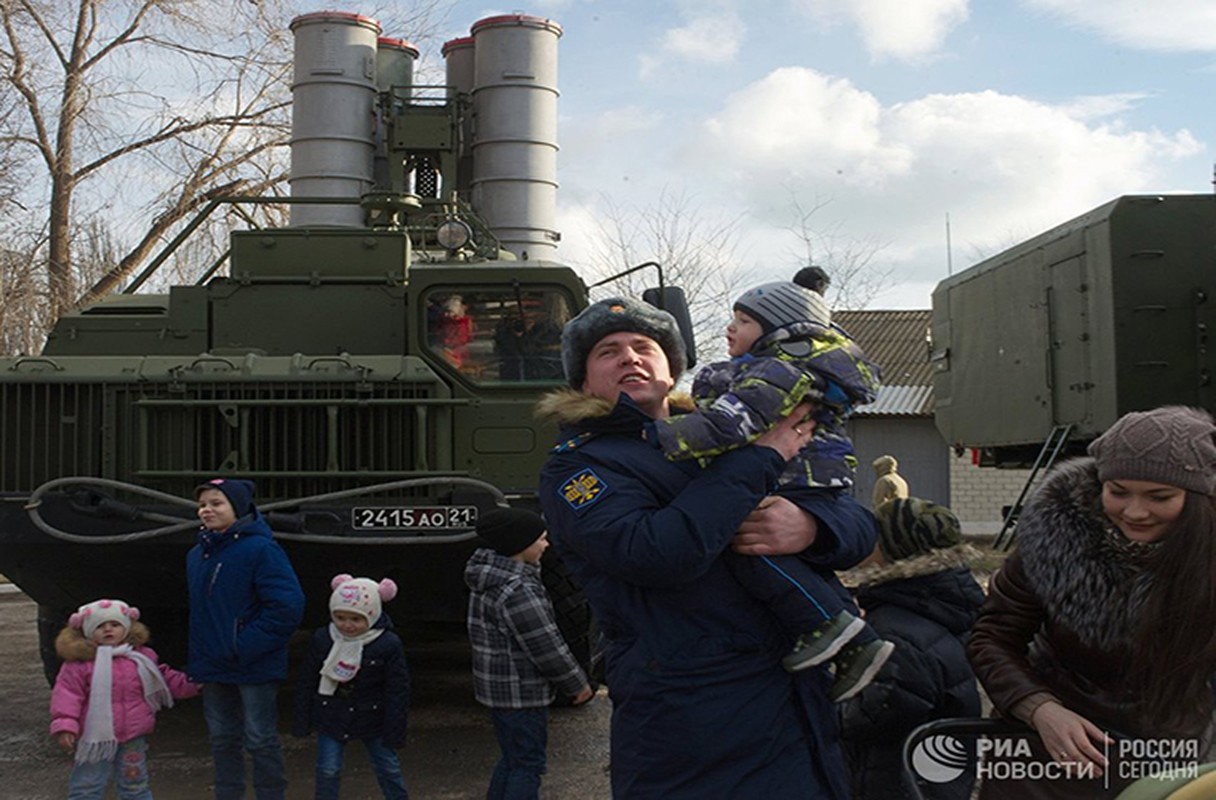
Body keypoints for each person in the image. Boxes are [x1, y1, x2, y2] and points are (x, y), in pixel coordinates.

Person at [536, 296, 879, 799]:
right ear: (584, 381)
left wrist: (811, 526)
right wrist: (758, 460)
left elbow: (857, 524)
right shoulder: (579, 468)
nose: (629, 357)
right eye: (608, 352)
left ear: (671, 371)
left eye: (643, 347)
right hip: (693, 723)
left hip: (794, 704)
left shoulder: (726, 432)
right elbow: (656, 553)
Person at [652, 279, 891, 700]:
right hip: (810, 478)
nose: (730, 328)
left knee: (752, 548)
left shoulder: (777, 371)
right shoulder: (787, 370)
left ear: (784, 330)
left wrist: (663, 436)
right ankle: (854, 637)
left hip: (796, 478)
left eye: (743, 321)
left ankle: (830, 626)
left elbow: (729, 424)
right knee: (784, 556)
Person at [968, 406, 1216, 799]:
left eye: (1160, 497)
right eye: (1117, 491)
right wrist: (1040, 709)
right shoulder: (1054, 539)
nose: (1135, 511)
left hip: (1175, 760)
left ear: (1202, 496)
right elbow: (992, 639)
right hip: (1046, 758)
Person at [839, 498, 986, 800]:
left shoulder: (897, 632)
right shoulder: (950, 605)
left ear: (894, 548)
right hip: (939, 780)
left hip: (896, 784)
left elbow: (875, 715)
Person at [187, 478, 305, 800]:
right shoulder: (197, 555)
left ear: (237, 508)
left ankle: (271, 794)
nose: (207, 510)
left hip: (253, 663)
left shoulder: (262, 549)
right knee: (222, 738)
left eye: (216, 503)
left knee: (260, 738)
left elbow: (287, 605)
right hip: (214, 665)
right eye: (203, 505)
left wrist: (243, 645)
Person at [465, 507, 594, 799]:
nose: (546, 545)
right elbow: (545, 646)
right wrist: (577, 685)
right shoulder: (518, 589)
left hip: (497, 692)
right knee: (528, 765)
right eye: (542, 539)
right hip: (523, 693)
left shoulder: (487, 578)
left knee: (512, 759)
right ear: (519, 545)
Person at [50, 598, 199, 800]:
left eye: (115, 625)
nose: (108, 630)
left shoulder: (142, 657)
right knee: (88, 785)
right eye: (100, 626)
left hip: (132, 735)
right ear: (87, 631)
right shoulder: (79, 665)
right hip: (93, 738)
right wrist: (65, 725)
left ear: (127, 628)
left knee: (135, 784)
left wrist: (194, 683)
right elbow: (67, 695)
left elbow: (165, 678)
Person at [293, 574, 410, 800]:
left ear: (372, 615)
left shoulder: (387, 644)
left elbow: (398, 690)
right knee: (328, 769)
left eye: (356, 619)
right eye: (340, 617)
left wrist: (395, 730)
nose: (347, 625)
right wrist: (302, 720)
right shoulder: (323, 639)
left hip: (373, 716)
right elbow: (307, 681)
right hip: (332, 714)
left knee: (388, 768)